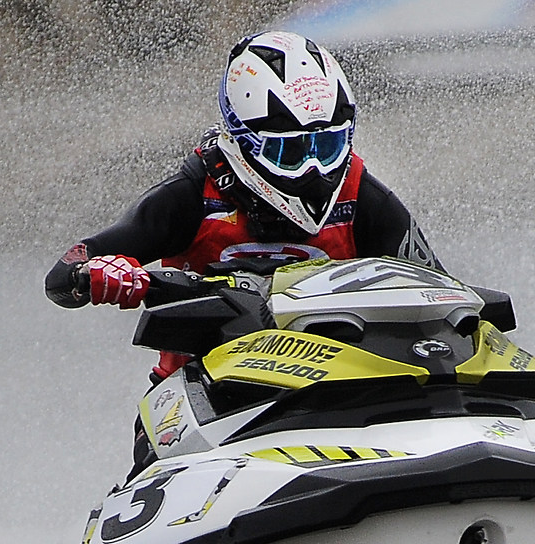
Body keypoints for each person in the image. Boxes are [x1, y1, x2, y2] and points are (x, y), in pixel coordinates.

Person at [44, 30, 442, 329]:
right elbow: (61, 277)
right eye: (291, 153)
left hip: (339, 386)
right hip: (210, 390)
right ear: (243, 141)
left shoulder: (361, 195)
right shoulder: (191, 196)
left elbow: (440, 290)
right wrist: (96, 274)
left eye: (329, 146)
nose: (314, 171)